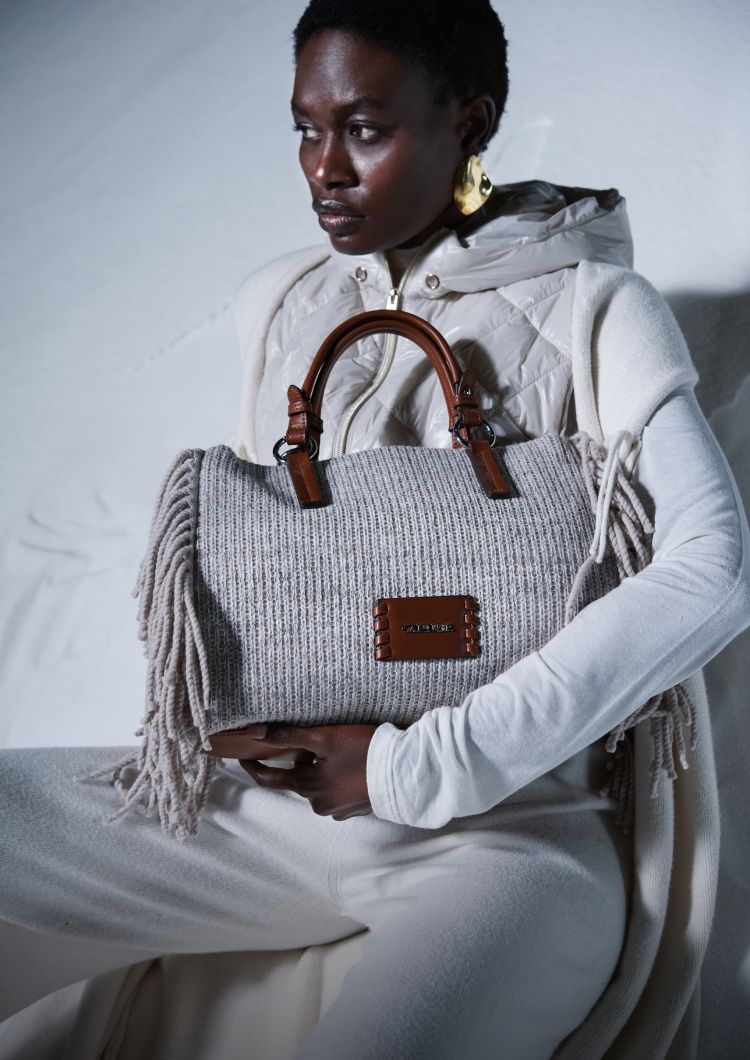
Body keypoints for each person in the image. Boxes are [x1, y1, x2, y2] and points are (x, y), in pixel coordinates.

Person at [1, 2, 748, 1057]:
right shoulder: (284, 303)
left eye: (364, 128)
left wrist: (417, 766)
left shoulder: (599, 304)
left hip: (513, 836)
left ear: (468, 122)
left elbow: (711, 570)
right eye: (305, 129)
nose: (325, 169)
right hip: (284, 817)